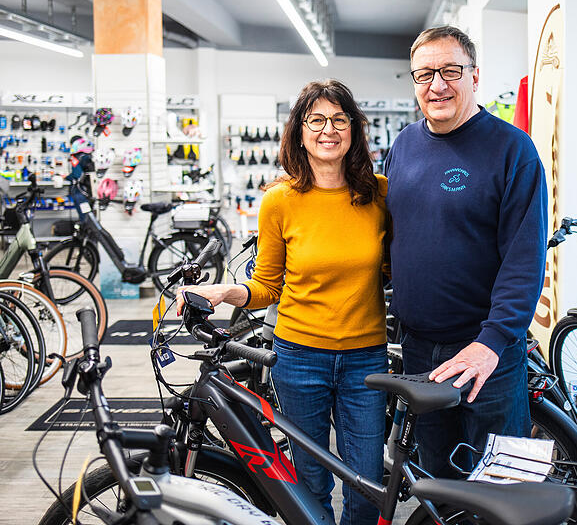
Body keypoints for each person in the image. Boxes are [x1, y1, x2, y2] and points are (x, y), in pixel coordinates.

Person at [177, 79, 388, 525]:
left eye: (338, 119)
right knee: (309, 484)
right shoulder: (279, 201)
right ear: (300, 130)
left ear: (353, 128)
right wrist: (220, 292)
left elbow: (399, 270)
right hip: (299, 358)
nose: (328, 129)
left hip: (365, 359)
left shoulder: (379, 194)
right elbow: (267, 287)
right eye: (316, 120)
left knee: (367, 484)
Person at [384, 26, 548, 477]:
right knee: (439, 482)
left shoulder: (513, 150)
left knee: (503, 488)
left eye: (450, 70)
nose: (437, 85)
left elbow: (525, 258)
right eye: (424, 74)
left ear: (475, 75)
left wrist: (491, 343)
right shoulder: (403, 146)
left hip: (485, 356)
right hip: (419, 351)